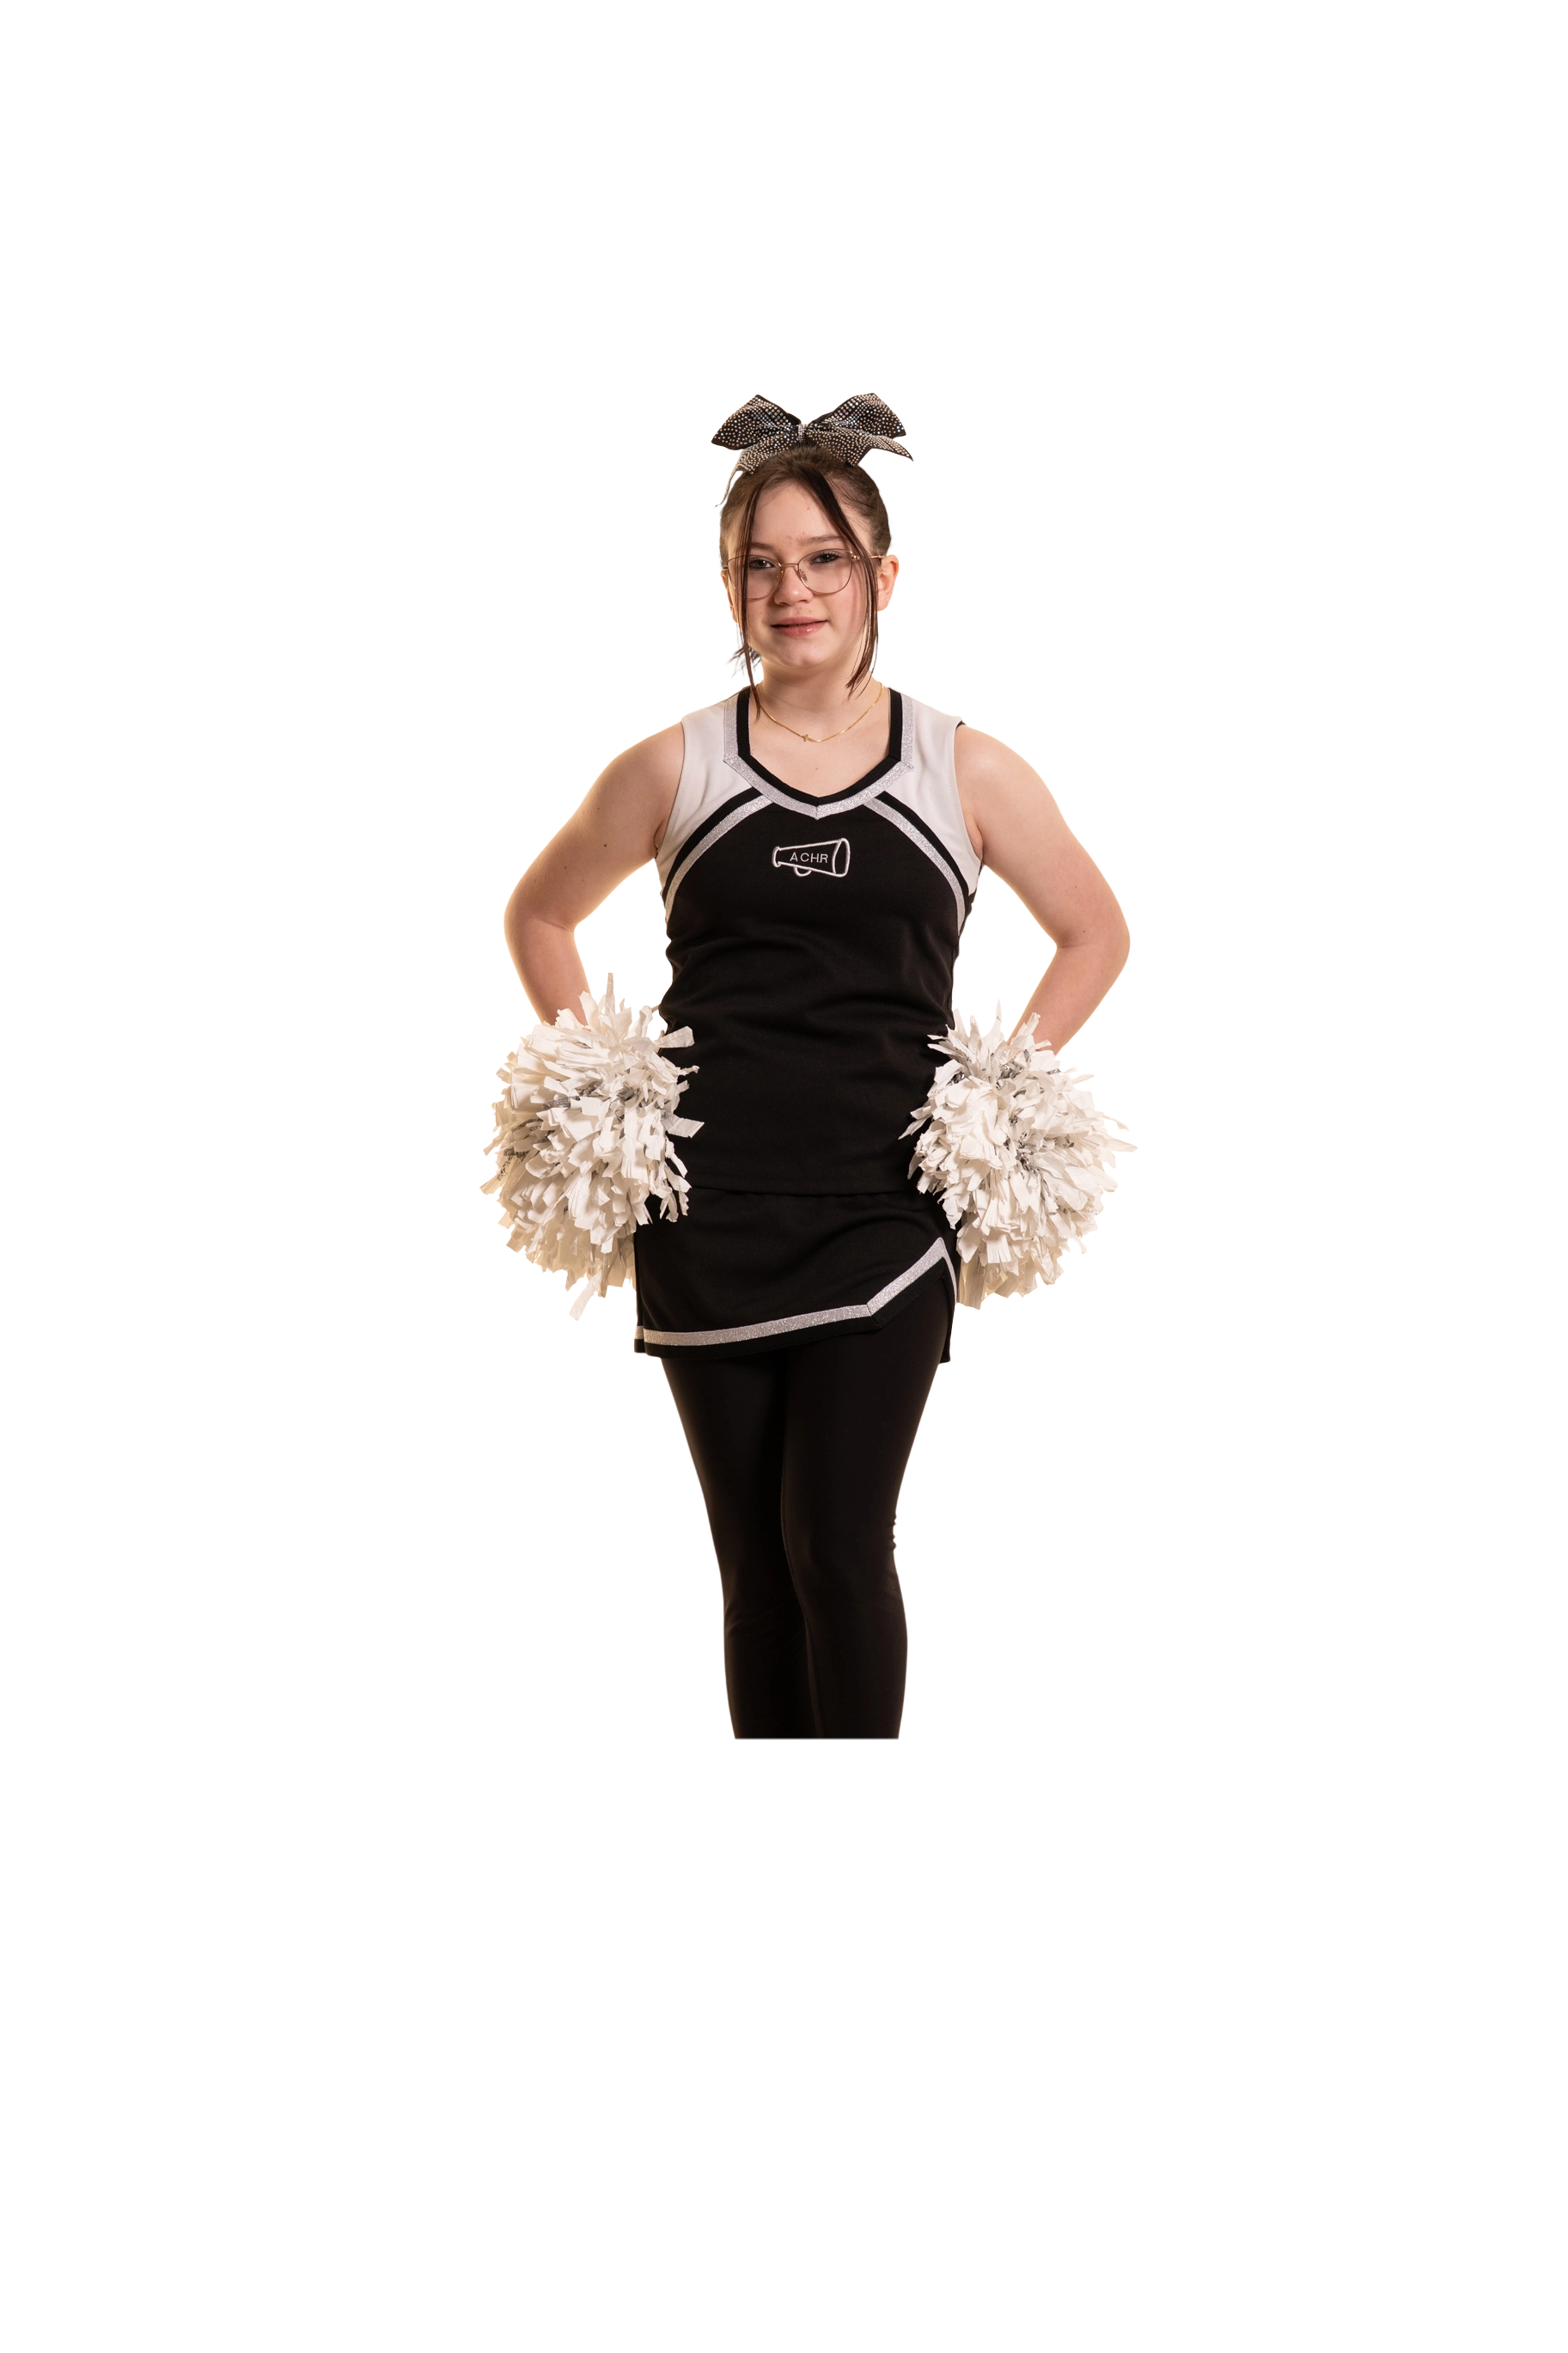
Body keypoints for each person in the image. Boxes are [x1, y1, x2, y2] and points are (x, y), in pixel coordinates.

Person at [503, 394, 1130, 1743]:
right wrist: (611, 1095)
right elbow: (538, 915)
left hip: (886, 1216)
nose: (793, 590)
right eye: (762, 562)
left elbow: (1098, 931)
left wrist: (991, 1104)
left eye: (825, 559)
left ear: (881, 578)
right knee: (755, 1572)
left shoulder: (963, 767)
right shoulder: (672, 766)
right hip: (707, 1213)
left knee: (838, 1541)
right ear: (728, 585)